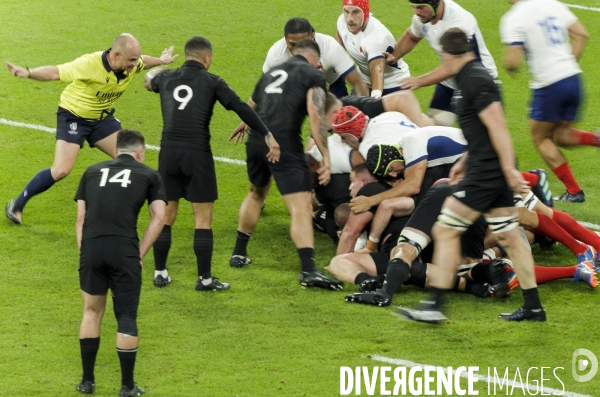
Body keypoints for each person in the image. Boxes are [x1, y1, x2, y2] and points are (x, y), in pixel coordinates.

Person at [398, 28, 545, 323]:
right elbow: (481, 130)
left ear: (449, 56)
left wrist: (506, 169)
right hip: (483, 166)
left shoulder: (476, 81)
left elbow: (499, 126)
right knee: (510, 238)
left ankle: (436, 306)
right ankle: (533, 307)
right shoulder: (468, 76)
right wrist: (465, 160)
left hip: (488, 172)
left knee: (445, 229)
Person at [144, 36, 280, 291]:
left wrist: (161, 64)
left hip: (169, 154)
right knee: (202, 220)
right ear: (207, 58)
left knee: (166, 216)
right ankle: (204, 279)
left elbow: (147, 81)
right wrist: (266, 133)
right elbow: (241, 107)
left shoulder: (167, 78)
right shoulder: (212, 81)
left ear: (186, 56)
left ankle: (160, 273)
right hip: (198, 155)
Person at [5, 33, 177, 225]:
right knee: (61, 169)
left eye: (136, 59)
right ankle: (17, 205)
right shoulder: (89, 64)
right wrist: (29, 73)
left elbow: (144, 62)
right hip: (73, 117)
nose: (135, 64)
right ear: (116, 55)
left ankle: (131, 210)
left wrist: (161, 60)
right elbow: (56, 72)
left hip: (101, 120)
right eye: (131, 59)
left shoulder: (130, 63)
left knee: (132, 159)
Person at [229, 39, 343, 290]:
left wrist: (245, 124)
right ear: (315, 60)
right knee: (301, 206)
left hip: (257, 140)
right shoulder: (315, 75)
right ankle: (309, 271)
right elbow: (315, 114)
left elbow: (251, 106)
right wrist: (325, 156)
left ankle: (238, 253)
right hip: (285, 145)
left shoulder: (270, 72)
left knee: (256, 193)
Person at [74, 129, 166, 396]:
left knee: (91, 312)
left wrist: (85, 249)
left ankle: (87, 382)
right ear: (140, 153)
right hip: (124, 249)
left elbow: (81, 219)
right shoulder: (149, 174)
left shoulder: (91, 171)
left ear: (115, 151)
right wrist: (139, 253)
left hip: (91, 247)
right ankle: (127, 387)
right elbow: (159, 217)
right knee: (126, 316)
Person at [500, 0, 592, 203]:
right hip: (572, 77)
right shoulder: (552, 3)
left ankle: (574, 192)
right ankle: (596, 139)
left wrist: (512, 61)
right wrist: (565, 64)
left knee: (541, 138)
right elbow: (581, 35)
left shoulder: (513, 18)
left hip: (548, 85)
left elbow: (512, 62)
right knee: (562, 135)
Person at [384, 0, 498, 126]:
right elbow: (412, 36)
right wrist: (394, 57)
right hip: (450, 84)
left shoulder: (459, 22)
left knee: (482, 138)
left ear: (434, 4)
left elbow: (454, 65)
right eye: (414, 7)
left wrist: (419, 81)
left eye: (421, 7)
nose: (417, 12)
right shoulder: (423, 17)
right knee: (432, 130)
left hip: (478, 86)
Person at [263, 17, 369, 98]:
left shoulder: (331, 48)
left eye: (304, 43)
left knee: (339, 118)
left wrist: (365, 114)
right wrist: (251, 116)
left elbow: (358, 82)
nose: (299, 50)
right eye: (293, 44)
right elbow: (263, 84)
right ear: (285, 39)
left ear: (312, 36)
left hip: (330, 83)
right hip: (294, 88)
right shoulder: (276, 54)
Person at [336, 0, 410, 97]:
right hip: (364, 81)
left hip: (393, 85)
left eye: (356, 12)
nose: (350, 18)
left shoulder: (375, 37)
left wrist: (374, 98)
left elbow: (377, 69)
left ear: (365, 13)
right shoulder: (342, 22)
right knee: (350, 112)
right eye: (346, 11)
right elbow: (338, 50)